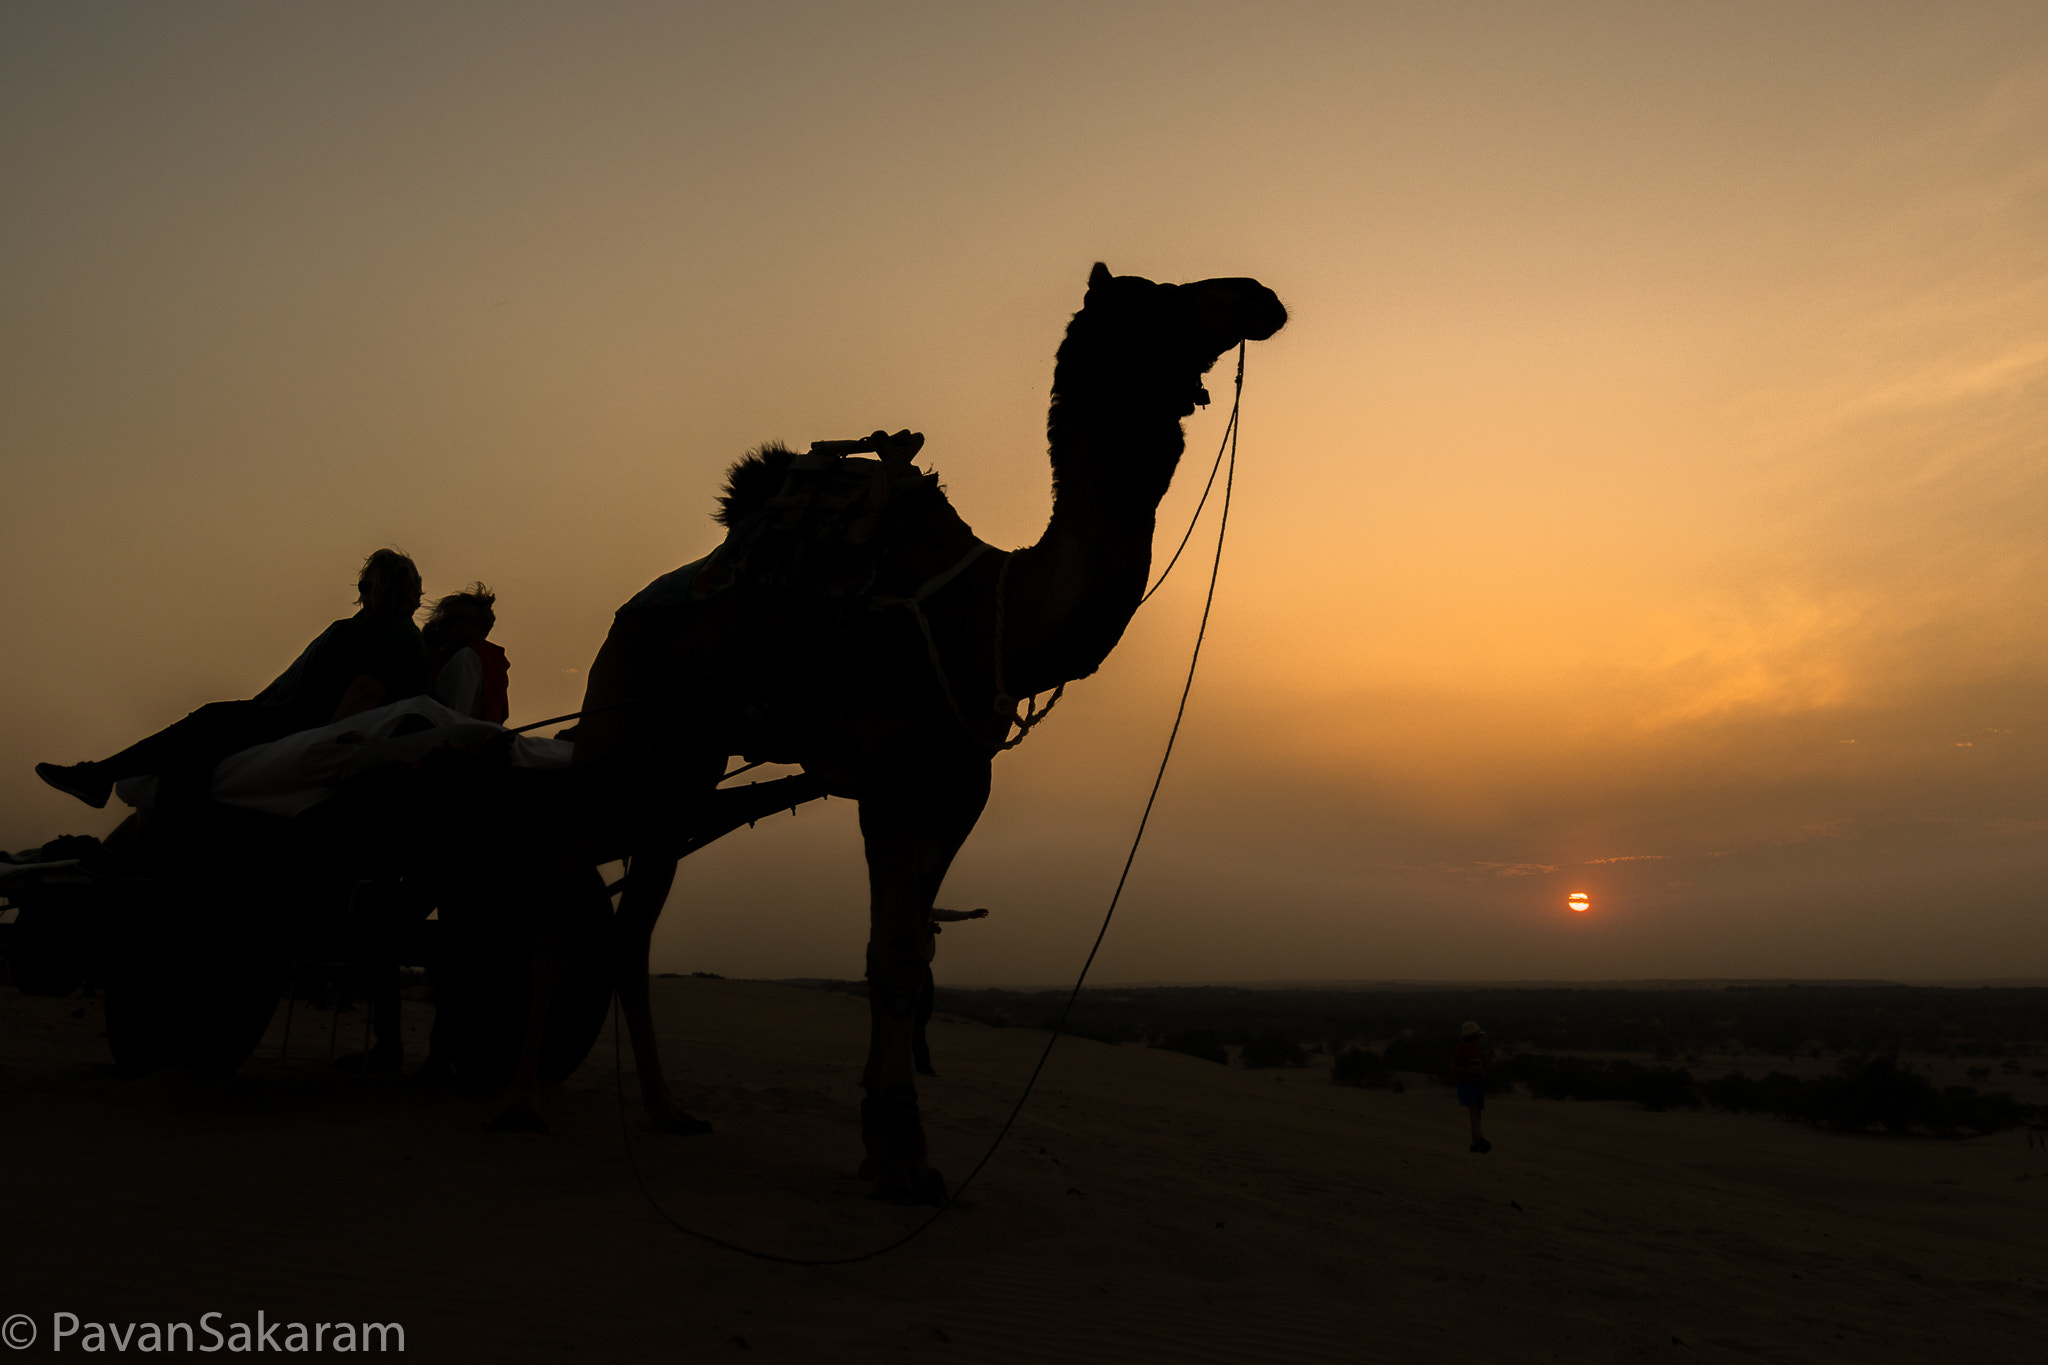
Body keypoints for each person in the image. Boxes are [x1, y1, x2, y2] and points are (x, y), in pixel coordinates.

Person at [35, 549, 429, 809]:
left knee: (208, 723)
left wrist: (325, 743)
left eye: (379, 588)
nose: (370, 595)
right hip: (278, 713)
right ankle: (116, 797)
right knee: (198, 746)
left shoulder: (393, 633)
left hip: (297, 722)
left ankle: (100, 777)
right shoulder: (361, 627)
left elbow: (366, 691)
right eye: (370, 587)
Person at [913, 906, 988, 1077]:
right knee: (916, 1021)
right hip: (912, 969)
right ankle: (920, 1065)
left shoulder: (925, 910)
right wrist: (926, 933)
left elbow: (945, 914)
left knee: (921, 1018)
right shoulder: (907, 912)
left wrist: (968, 915)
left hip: (923, 968)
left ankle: (921, 1064)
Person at [422, 584, 509, 723]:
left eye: (448, 623)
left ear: (474, 627)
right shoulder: (491, 661)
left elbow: (459, 715)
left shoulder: (468, 657)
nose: (442, 631)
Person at [1454, 1020, 1493, 1154]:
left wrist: (1488, 1061)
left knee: (1478, 1113)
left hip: (1477, 1084)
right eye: (1478, 1036)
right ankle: (1479, 1139)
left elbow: (1482, 1069)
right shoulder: (1461, 1049)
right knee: (1474, 1111)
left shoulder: (1476, 1051)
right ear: (1472, 1036)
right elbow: (1453, 1067)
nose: (1480, 1039)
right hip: (1466, 1083)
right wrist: (1468, 1071)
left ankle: (1476, 1142)